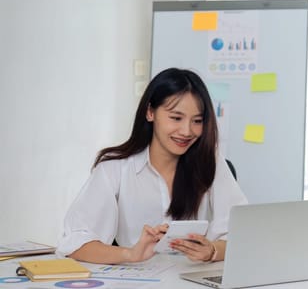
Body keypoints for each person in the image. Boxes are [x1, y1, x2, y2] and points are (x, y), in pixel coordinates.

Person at [56, 68, 247, 264]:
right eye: (176, 118)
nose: (186, 131)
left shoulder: (211, 162)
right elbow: (75, 241)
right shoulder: (115, 168)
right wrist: (130, 254)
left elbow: (243, 233)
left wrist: (212, 251)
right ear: (150, 112)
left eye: (197, 121)